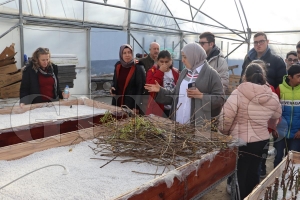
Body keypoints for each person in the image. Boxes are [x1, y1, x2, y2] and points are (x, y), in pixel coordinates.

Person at [219, 63, 282, 199]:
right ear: (263, 77)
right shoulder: (272, 96)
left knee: (240, 175)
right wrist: (268, 124)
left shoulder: (238, 93)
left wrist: (224, 132)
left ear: (244, 77)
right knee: (254, 172)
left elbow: (226, 118)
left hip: (241, 141)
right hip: (261, 141)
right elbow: (276, 116)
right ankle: (254, 197)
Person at [145, 43, 224, 127]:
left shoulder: (212, 74)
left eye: (185, 57)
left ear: (194, 56)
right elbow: (175, 94)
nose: (182, 60)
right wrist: (160, 90)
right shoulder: (185, 72)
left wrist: (201, 96)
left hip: (198, 127)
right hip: (178, 124)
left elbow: (220, 99)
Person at [273, 64, 300, 168]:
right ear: (290, 77)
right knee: (278, 157)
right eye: (298, 76)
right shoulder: (279, 89)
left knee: (293, 160)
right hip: (280, 132)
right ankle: (275, 182)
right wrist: (274, 127)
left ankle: (290, 183)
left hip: (296, 134)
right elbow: (273, 109)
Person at [110, 44, 146, 114]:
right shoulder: (118, 66)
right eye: (124, 53)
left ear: (132, 53)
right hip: (117, 103)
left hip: (131, 105)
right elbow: (114, 81)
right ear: (121, 54)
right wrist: (112, 88)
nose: (127, 55)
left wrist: (136, 106)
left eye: (129, 52)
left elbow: (141, 88)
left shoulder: (138, 67)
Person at [146, 50, 179, 117]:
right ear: (157, 61)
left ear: (171, 61)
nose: (164, 64)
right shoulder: (152, 71)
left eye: (166, 62)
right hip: (158, 106)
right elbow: (150, 86)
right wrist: (160, 71)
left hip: (172, 107)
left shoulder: (176, 72)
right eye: (161, 62)